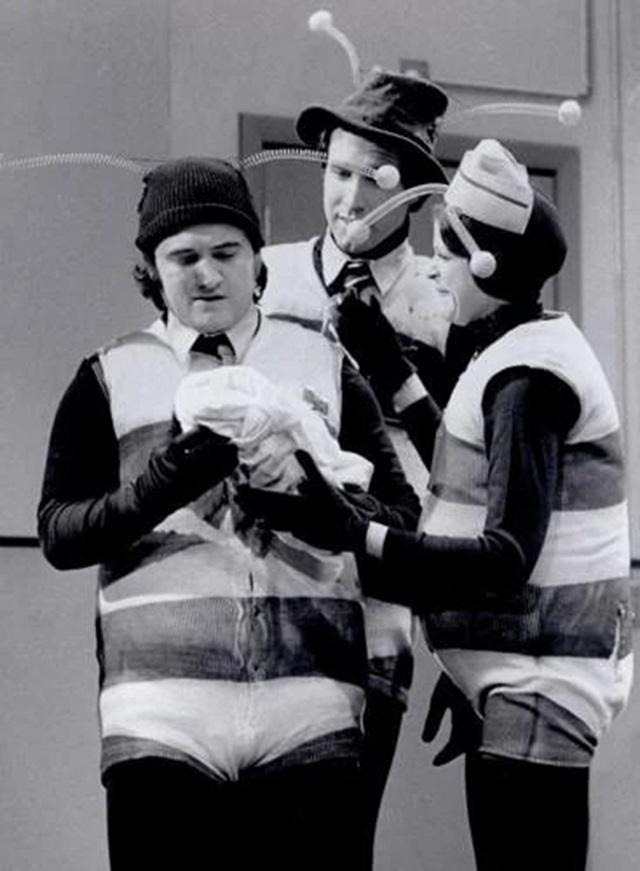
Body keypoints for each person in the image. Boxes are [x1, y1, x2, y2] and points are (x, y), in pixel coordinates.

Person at [242, 139, 633, 871]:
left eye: (446, 250)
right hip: (512, 683)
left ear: (484, 264)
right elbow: (467, 470)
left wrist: (358, 534)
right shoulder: (517, 351)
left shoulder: (529, 380)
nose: (435, 267)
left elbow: (506, 557)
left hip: (537, 685)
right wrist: (390, 367)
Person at [37, 157, 420, 871]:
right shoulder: (108, 373)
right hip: (161, 721)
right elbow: (58, 531)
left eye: (226, 251)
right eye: (183, 257)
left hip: (311, 715)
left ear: (256, 259)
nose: (207, 274)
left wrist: (323, 508)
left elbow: (402, 516)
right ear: (153, 270)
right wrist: (154, 488)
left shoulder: (325, 363)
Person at [260, 67, 453, 862]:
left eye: (374, 180)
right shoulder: (261, 275)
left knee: (340, 845)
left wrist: (462, 650)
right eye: (337, 173)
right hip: (261, 600)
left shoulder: (446, 302)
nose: (348, 199)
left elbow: (469, 481)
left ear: (415, 195)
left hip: (376, 609)